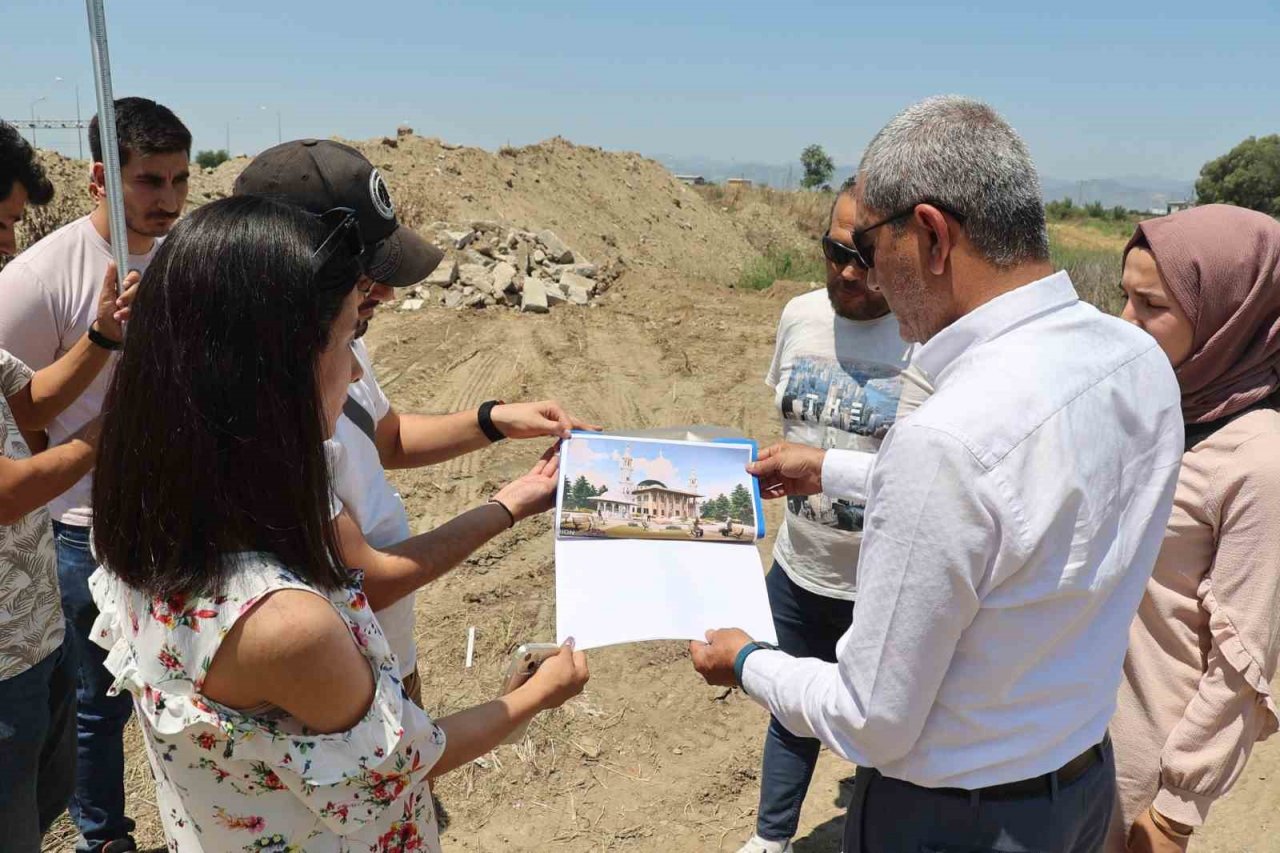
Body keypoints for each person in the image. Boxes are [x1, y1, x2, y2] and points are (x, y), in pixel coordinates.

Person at [690, 95, 1184, 853]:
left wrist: (750, 661)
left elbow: (869, 718)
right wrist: (832, 469)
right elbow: (1014, 505)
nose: (874, 282)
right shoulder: (1136, 361)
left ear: (929, 236)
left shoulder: (949, 434)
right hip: (1082, 788)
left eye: (872, 248)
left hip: (957, 820)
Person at [88, 195, 589, 851]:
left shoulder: (144, 518)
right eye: (347, 339)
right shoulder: (286, 625)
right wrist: (535, 697)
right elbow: (404, 764)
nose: (355, 370)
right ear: (276, 370)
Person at [232, 139, 596, 708]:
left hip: (386, 652)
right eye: (366, 274)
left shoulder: (339, 342)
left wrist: (493, 419)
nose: (387, 292)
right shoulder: (257, 424)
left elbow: (390, 437)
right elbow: (368, 580)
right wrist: (510, 504)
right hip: (341, 680)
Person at [0, 96, 190, 853]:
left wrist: (105, 339)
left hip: (155, 531)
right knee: (93, 705)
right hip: (76, 538)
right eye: (150, 181)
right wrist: (114, 436)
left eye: (181, 180)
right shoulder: (34, 280)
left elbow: (26, 391)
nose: (169, 199)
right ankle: (105, 836)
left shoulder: (183, 257)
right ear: (101, 179)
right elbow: (21, 453)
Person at [738, 177, 929, 853]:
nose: (848, 272)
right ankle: (771, 839)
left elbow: (935, 484)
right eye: (834, 251)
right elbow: (793, 423)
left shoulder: (925, 343)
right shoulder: (797, 317)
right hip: (799, 569)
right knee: (790, 707)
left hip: (885, 588)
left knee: (888, 740)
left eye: (865, 257)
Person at [1109, 205, 1280, 853]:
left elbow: (1244, 657)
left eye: (1151, 305)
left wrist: (1177, 809)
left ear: (1227, 316)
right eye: (1125, 296)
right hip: (1065, 742)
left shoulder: (1258, 458)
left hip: (1138, 770)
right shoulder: (1156, 409)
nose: (1126, 320)